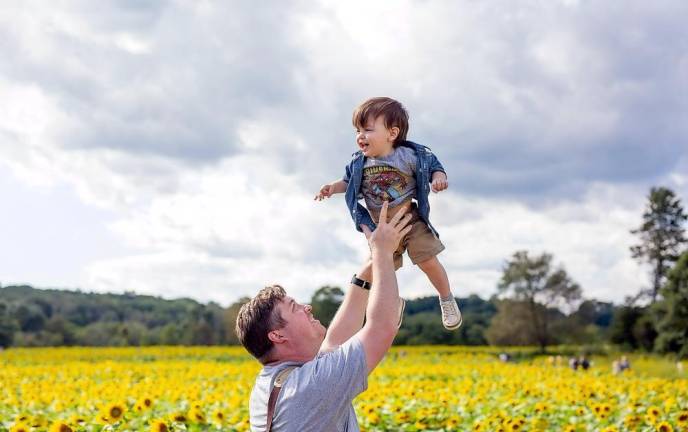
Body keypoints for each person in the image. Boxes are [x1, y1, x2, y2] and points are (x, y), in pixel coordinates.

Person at [236, 202, 412, 431]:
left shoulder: (275, 381)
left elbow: (334, 343)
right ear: (277, 335)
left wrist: (366, 273)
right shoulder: (312, 386)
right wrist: (383, 253)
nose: (306, 307)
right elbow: (382, 327)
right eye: (294, 307)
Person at [315, 97, 462, 330]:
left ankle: (446, 298)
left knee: (428, 261)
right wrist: (332, 188)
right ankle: (392, 306)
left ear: (392, 133)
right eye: (357, 130)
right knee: (379, 272)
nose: (360, 136)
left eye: (368, 130)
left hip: (410, 221)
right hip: (381, 229)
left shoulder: (408, 156)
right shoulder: (358, 163)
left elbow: (433, 165)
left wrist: (438, 178)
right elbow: (347, 182)